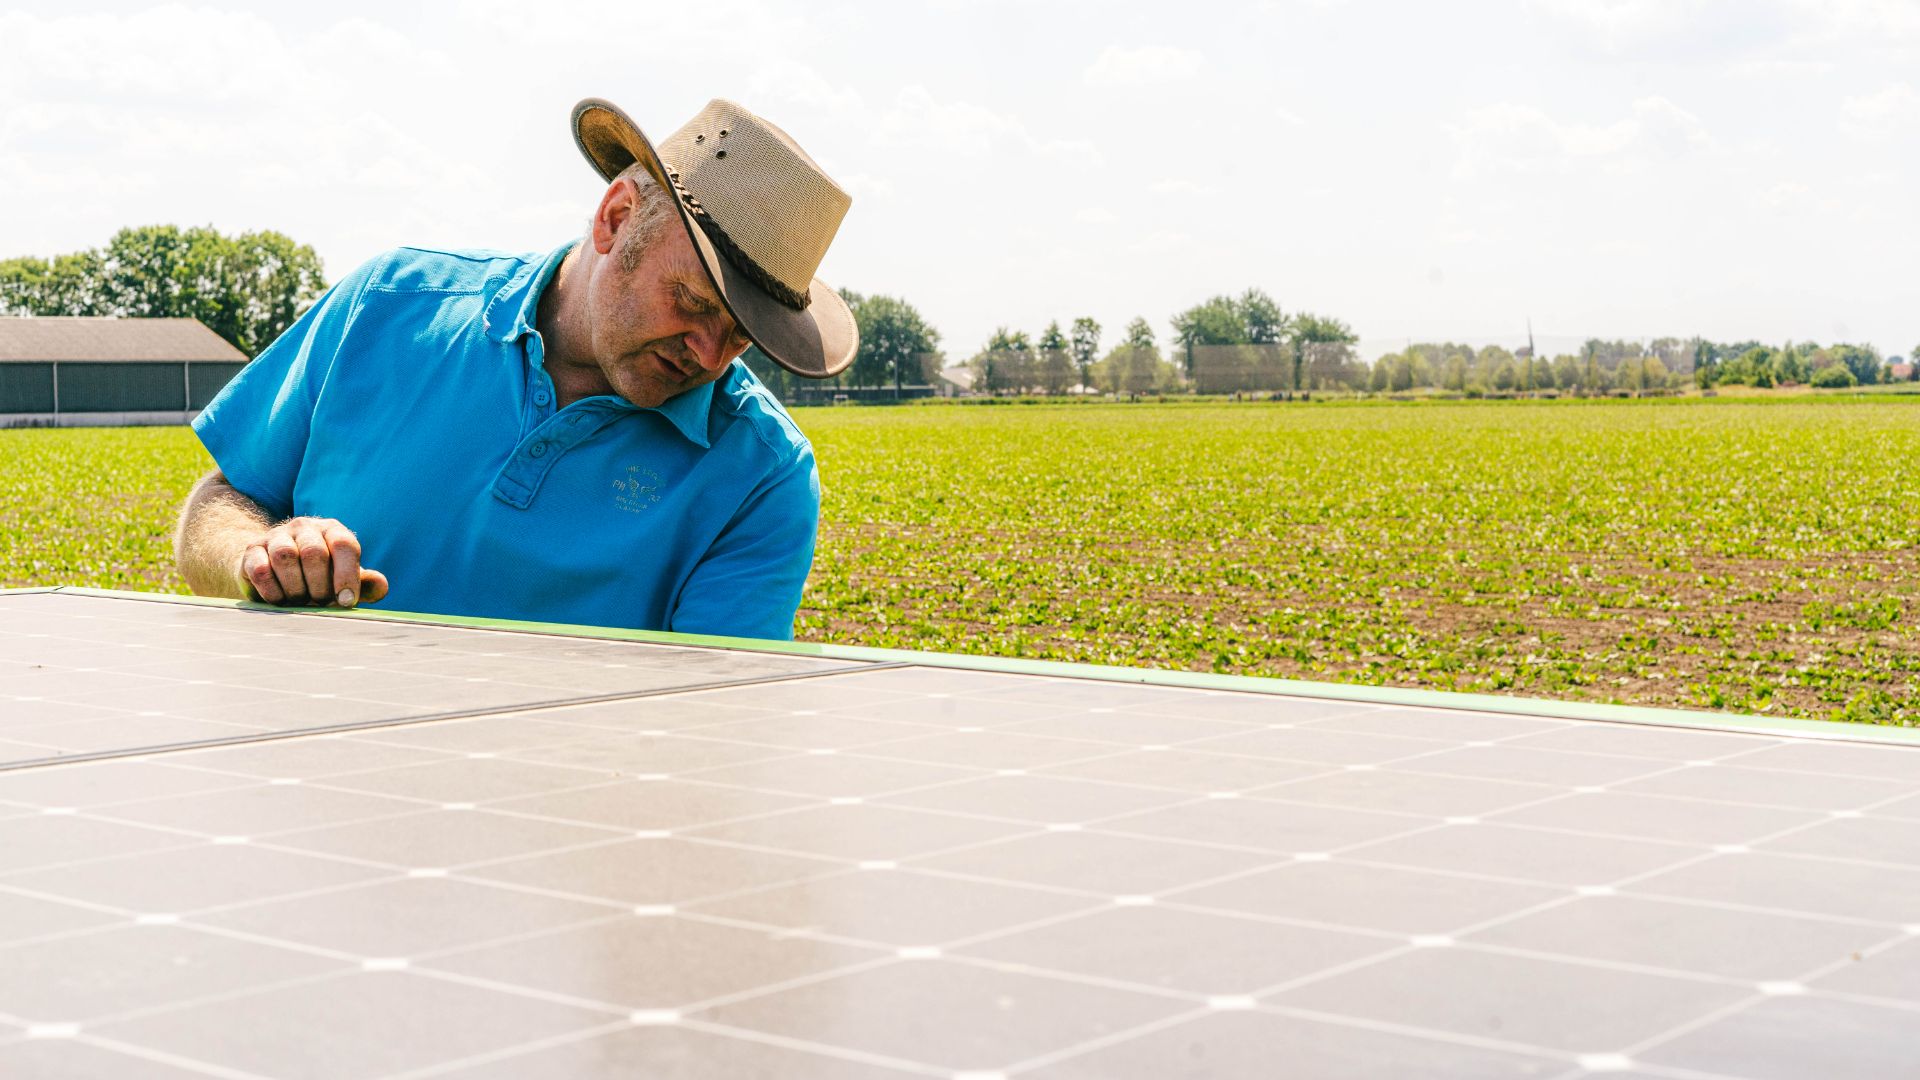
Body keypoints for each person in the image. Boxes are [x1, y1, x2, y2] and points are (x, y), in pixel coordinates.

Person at [172, 97, 857, 641]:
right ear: (616, 219)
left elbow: (709, 726)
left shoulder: (763, 475)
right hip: (315, 780)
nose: (707, 355)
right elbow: (220, 502)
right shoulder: (387, 304)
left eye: (738, 339)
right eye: (691, 301)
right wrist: (256, 555)